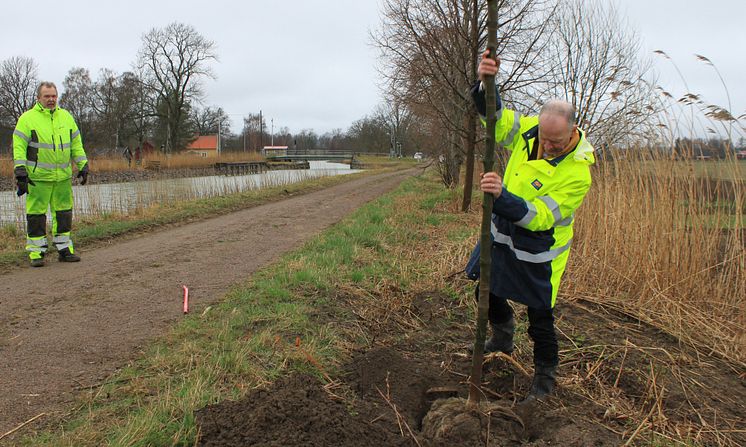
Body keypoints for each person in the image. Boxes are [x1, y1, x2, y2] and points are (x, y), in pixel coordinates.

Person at [465, 52, 595, 400]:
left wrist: (501, 196)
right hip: (502, 235)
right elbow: (496, 121)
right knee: (485, 290)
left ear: (573, 133)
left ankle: (544, 378)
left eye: (555, 142)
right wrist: (485, 83)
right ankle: (503, 335)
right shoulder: (529, 133)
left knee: (540, 319)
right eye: (544, 139)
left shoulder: (577, 173)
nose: (546, 147)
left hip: (541, 252)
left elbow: (540, 218)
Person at [13, 81, 89, 267]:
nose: (51, 99)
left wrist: (83, 164)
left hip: (62, 177)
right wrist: (20, 170)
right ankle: (36, 253)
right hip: (37, 178)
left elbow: (76, 144)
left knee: (63, 214)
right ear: (38, 98)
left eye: (54, 96)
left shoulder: (66, 117)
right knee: (36, 215)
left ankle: (64, 250)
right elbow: (19, 147)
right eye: (47, 96)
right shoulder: (27, 119)